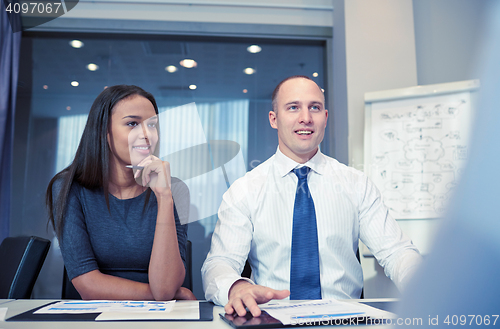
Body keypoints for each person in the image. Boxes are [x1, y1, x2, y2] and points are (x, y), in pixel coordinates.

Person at [202, 75, 422, 316]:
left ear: (325, 118)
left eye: (314, 108)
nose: (305, 118)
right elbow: (219, 263)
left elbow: (397, 252)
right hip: (271, 320)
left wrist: (426, 288)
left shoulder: (356, 184)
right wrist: (236, 286)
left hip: (344, 321)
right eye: (293, 107)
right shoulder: (244, 190)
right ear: (274, 119)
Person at [46, 85, 195, 301]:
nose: (147, 135)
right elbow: (88, 285)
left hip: (159, 319)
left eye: (152, 125)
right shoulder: (69, 188)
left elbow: (165, 288)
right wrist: (170, 295)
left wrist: (164, 197)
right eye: (132, 123)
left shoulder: (174, 190)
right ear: (104, 132)